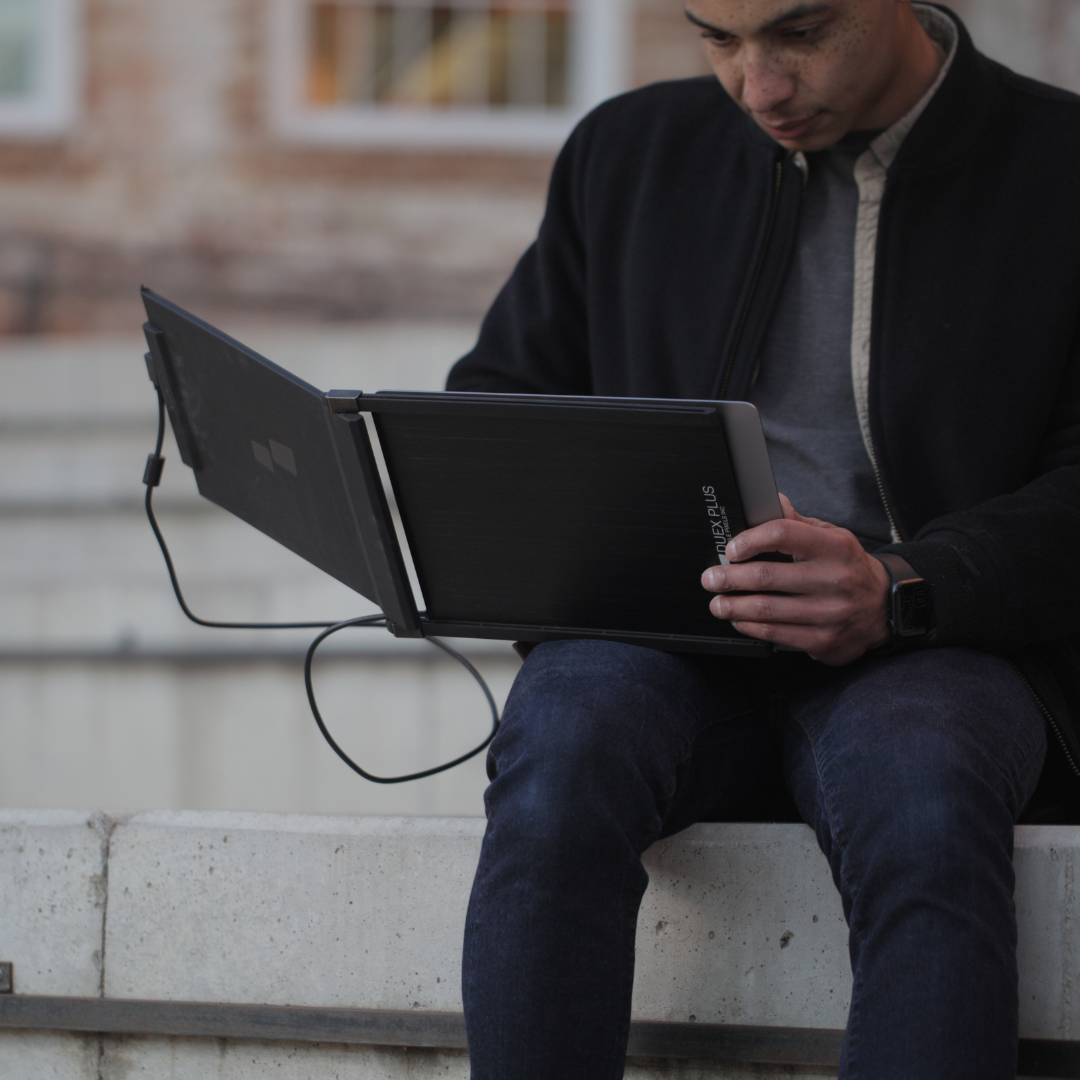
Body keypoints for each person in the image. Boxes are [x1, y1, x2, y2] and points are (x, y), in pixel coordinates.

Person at [446, 1, 1080, 1076]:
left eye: (799, 32)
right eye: (718, 36)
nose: (759, 87)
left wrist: (904, 586)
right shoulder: (628, 151)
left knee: (921, 788)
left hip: (944, 646)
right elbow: (503, 401)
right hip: (666, 644)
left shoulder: (1061, 167)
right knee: (562, 743)